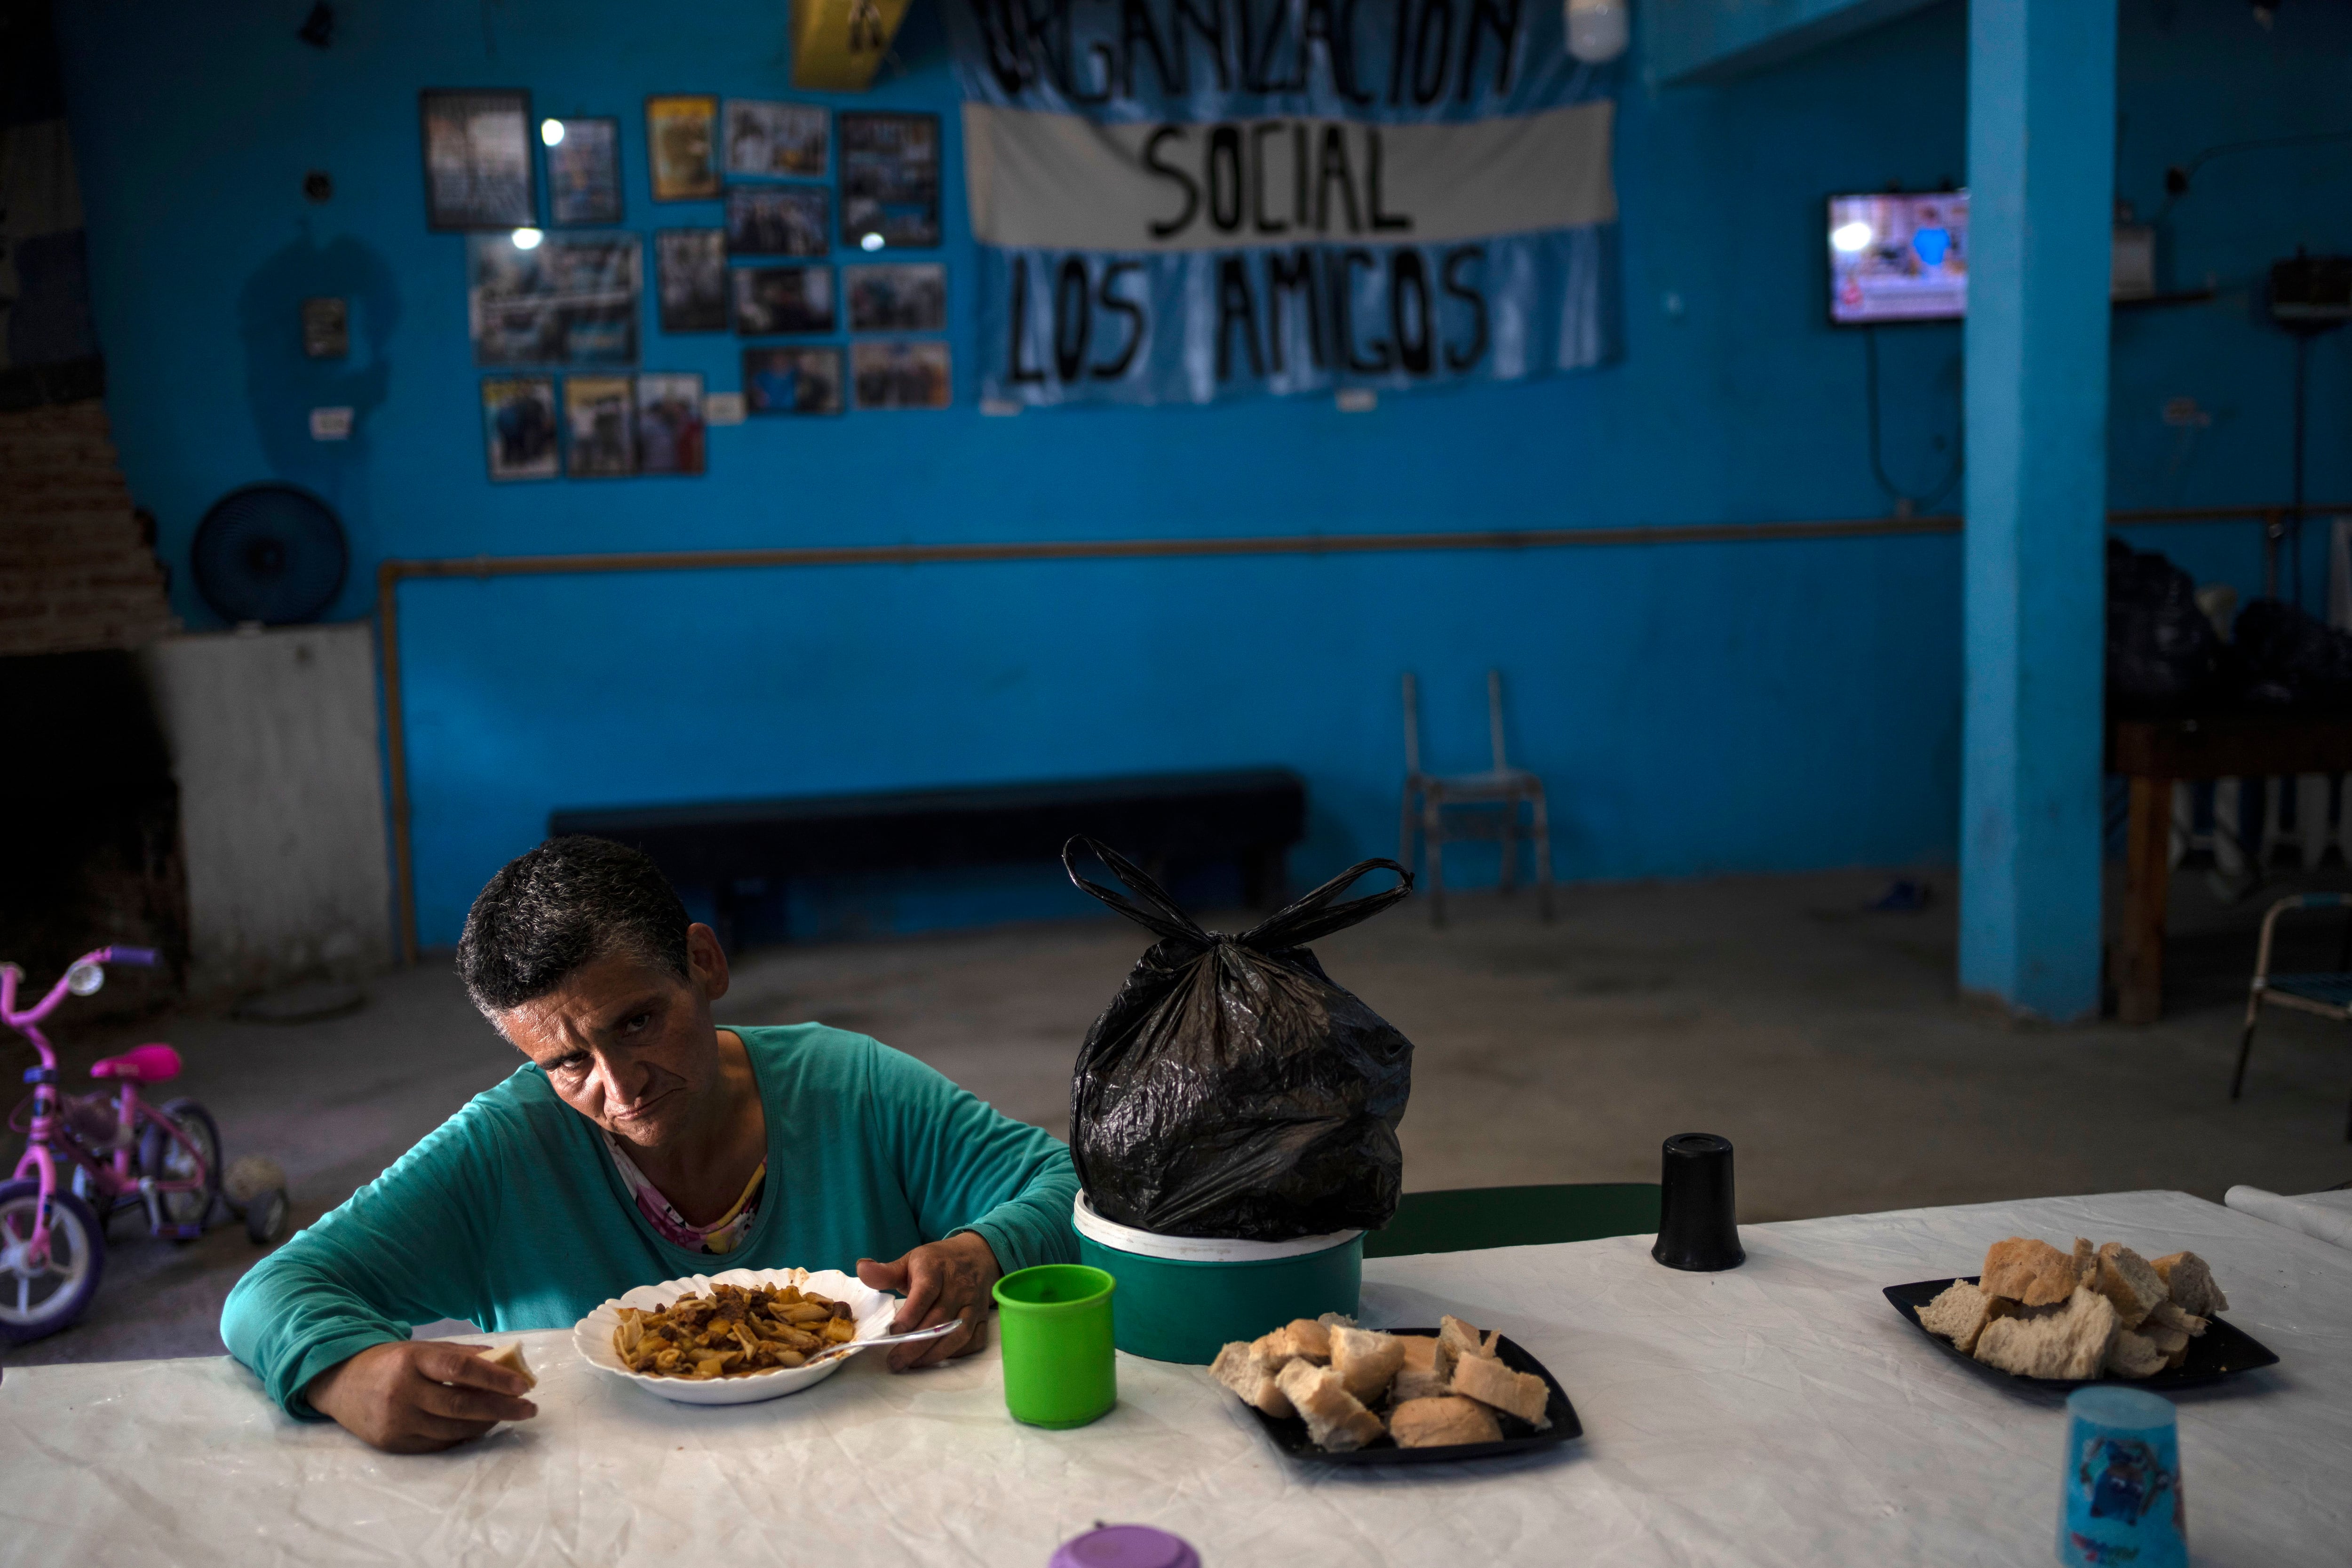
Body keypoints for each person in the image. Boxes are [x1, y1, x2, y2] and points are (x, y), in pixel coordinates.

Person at [221, 837, 1078, 1453]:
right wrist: (346, 1372)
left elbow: (1062, 1177)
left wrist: (987, 1249)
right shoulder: (503, 1150)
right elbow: (269, 1291)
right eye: (567, 1062)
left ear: (704, 963)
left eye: (640, 1021)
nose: (621, 1088)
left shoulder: (849, 1088)